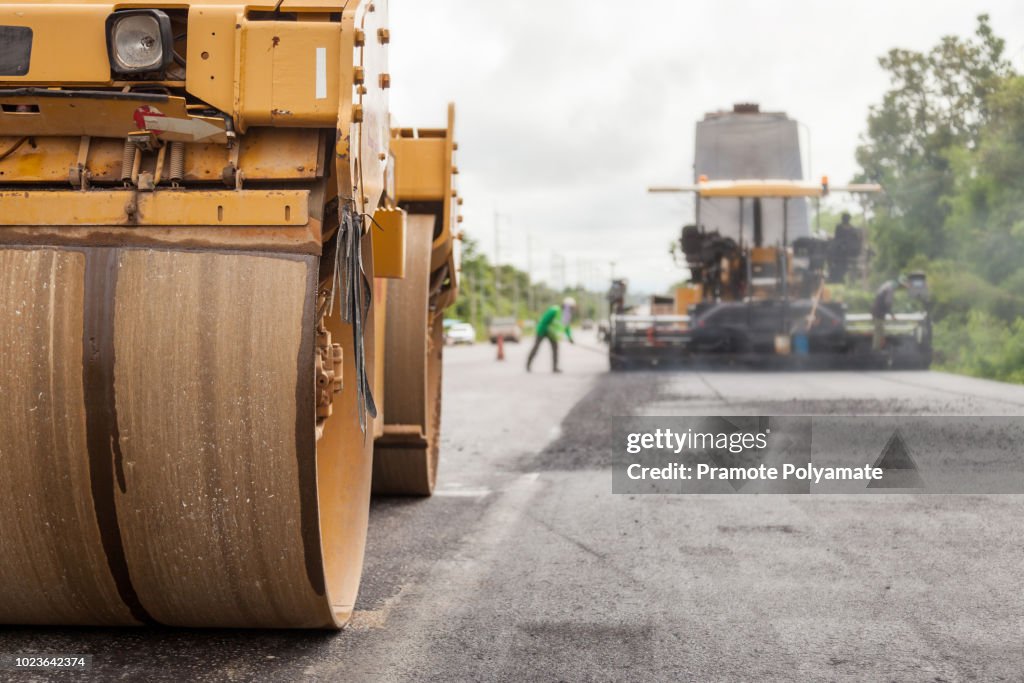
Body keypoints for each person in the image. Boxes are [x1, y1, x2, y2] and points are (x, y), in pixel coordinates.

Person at [527, 297, 576, 373]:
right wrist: (546, 330)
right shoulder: (554, 310)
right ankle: (528, 365)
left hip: (553, 335)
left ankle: (555, 367)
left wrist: (570, 338)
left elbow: (566, 327)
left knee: (555, 349)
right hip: (542, 331)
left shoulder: (567, 315)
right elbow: (544, 321)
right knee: (536, 347)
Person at [872, 275, 908, 351]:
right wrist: (892, 315)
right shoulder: (890, 288)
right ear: (899, 284)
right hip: (879, 312)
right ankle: (876, 351)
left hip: (877, 311)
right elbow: (888, 303)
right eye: (901, 286)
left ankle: (878, 349)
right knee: (878, 332)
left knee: (880, 331)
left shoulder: (888, 284)